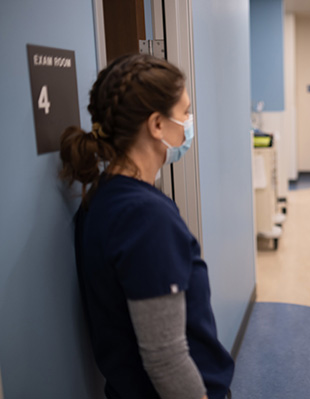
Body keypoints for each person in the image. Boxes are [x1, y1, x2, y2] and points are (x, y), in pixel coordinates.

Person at [59, 54, 234, 399]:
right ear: (157, 125)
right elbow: (165, 358)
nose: (189, 122)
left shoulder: (103, 196)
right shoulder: (143, 217)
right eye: (184, 112)